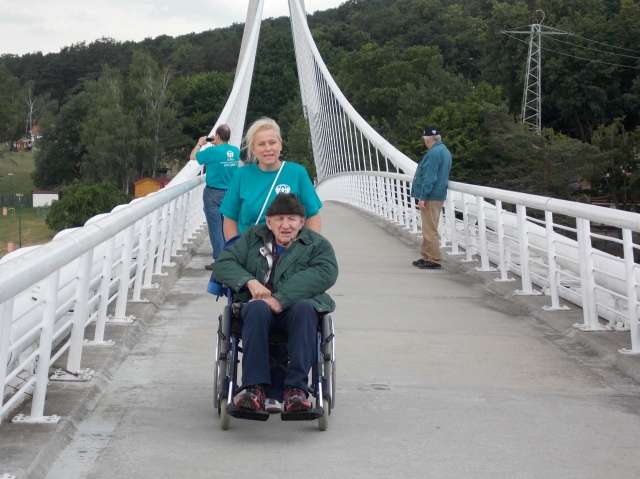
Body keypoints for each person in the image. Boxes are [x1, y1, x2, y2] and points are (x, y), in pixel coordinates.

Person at [213, 193, 338, 414]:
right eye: (279, 219)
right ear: (269, 222)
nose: (285, 225)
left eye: (292, 219)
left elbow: (325, 272)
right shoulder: (252, 238)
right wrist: (250, 281)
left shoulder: (316, 245)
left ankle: (295, 390)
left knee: (304, 309)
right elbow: (223, 264)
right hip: (257, 311)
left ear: (302, 222)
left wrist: (281, 299)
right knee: (257, 307)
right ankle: (254, 389)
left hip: (296, 311)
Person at [220, 117, 322, 240]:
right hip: (250, 248)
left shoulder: (297, 173)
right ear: (253, 149)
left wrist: (308, 246)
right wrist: (235, 248)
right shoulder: (241, 175)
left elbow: (312, 215)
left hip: (289, 248)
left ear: (280, 145)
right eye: (261, 144)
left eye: (272, 142)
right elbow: (230, 219)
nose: (268, 148)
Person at [190, 124, 240, 270]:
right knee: (228, 227)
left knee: (215, 228)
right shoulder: (235, 151)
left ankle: (219, 260)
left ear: (217, 136)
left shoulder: (212, 151)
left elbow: (193, 157)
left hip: (213, 193)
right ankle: (231, 258)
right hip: (230, 193)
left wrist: (200, 144)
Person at [410, 126, 452, 270]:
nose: (424, 142)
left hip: (431, 196)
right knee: (428, 228)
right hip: (437, 194)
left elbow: (430, 177)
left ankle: (433, 259)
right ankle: (426, 256)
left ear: (428, 139)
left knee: (429, 229)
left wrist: (423, 197)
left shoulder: (434, 153)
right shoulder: (444, 151)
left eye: (424, 139)